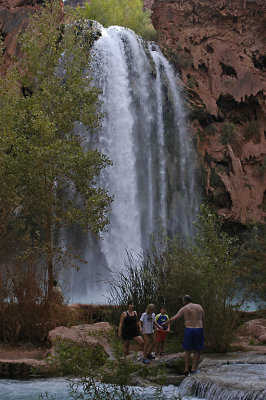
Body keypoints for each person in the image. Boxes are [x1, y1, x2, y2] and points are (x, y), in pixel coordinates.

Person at [163, 295, 204, 375]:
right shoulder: (199, 307)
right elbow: (203, 319)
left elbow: (175, 318)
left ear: (184, 301)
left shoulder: (184, 308)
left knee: (187, 350)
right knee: (198, 350)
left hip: (189, 329)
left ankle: (186, 369)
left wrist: (165, 323)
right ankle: (193, 369)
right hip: (199, 328)